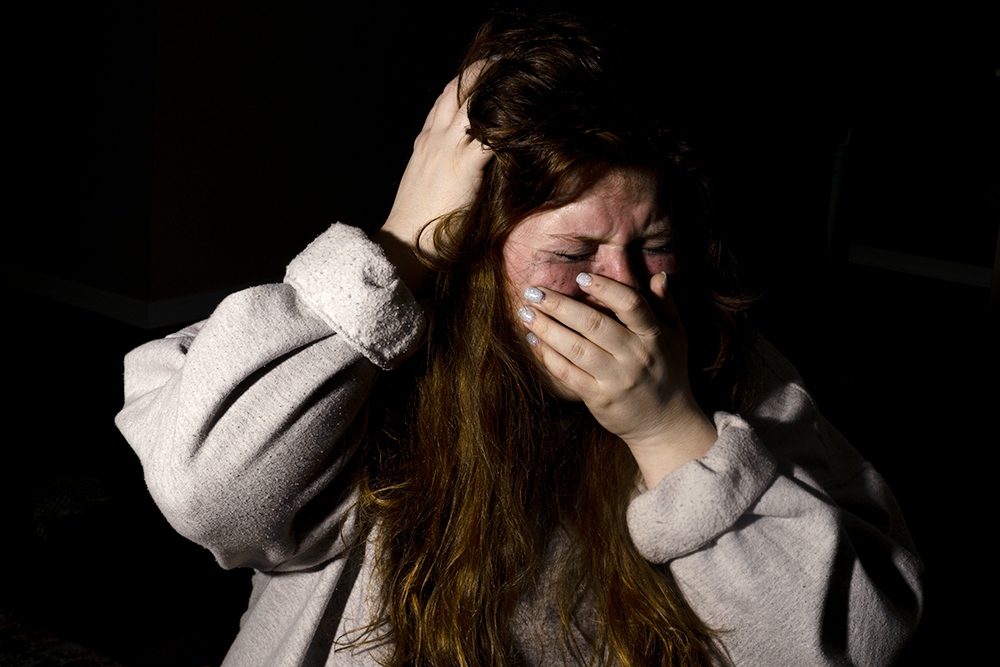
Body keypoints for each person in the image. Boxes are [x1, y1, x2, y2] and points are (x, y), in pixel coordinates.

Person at [116, 13, 923, 667]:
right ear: (473, 250)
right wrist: (400, 248)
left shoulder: (725, 367)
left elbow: (858, 641)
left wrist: (672, 434)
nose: (629, 290)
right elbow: (208, 495)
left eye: (656, 245)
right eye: (573, 255)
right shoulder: (362, 367)